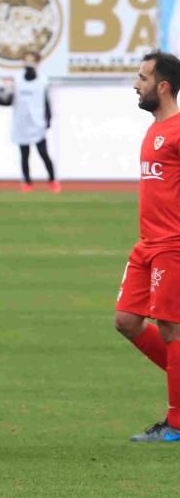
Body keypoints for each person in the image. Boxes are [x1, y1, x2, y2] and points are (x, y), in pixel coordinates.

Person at [114, 50, 180, 442]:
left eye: (142, 77)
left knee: (171, 329)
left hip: (172, 245)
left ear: (163, 86)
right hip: (146, 246)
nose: (136, 85)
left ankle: (175, 425)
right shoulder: (155, 129)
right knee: (126, 321)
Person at [0, 51, 61, 193]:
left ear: (38, 63)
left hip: (37, 123)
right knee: (24, 155)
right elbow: (10, 100)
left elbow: (47, 102)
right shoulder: (16, 80)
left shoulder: (43, 81)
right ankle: (27, 182)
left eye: (32, 61)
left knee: (43, 153)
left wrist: (48, 120)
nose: (29, 64)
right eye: (26, 60)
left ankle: (53, 180)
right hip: (21, 122)